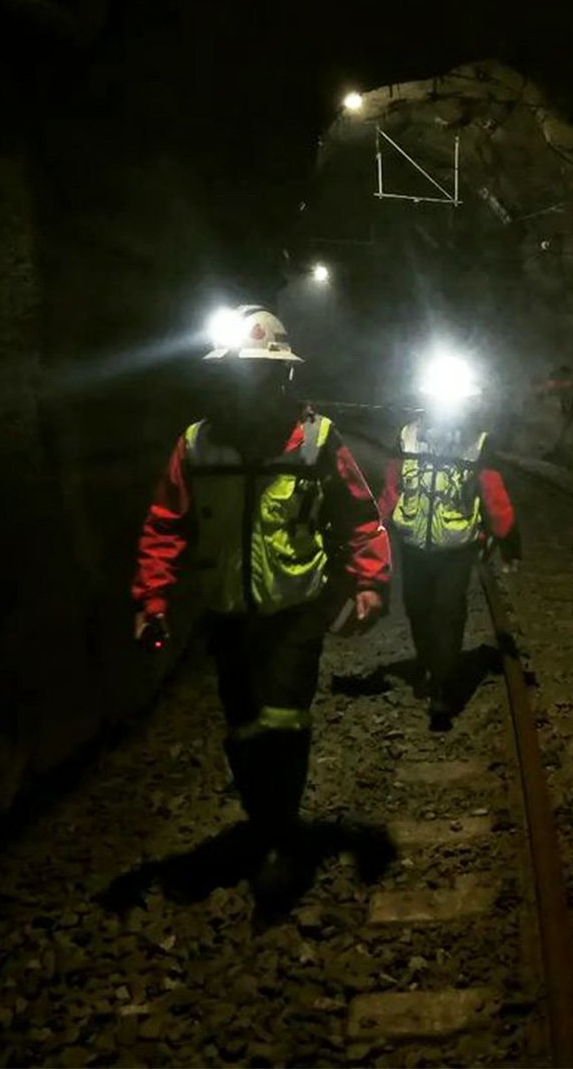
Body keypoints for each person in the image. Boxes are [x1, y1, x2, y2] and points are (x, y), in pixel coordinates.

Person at [132, 304, 390, 908]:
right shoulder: (196, 445)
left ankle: (278, 836)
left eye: (262, 372)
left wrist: (369, 583)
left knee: (284, 718)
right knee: (244, 725)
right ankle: (266, 820)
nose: (253, 383)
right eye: (242, 372)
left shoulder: (317, 441)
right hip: (228, 613)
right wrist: (152, 598)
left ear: (284, 377)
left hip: (296, 608)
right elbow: (164, 525)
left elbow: (359, 518)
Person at [378, 352, 520, 731]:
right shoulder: (407, 435)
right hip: (413, 543)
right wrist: (376, 525)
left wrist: (508, 538)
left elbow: (493, 493)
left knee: (448, 612)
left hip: (456, 547)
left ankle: (442, 690)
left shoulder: (477, 442)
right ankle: (429, 663)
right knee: (417, 609)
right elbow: (393, 485)